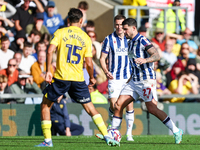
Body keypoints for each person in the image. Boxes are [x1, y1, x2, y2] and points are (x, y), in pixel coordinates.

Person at [35, 8, 120, 147]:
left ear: (68, 20)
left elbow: (49, 50)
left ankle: (48, 141)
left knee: (45, 106)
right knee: (90, 108)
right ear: (81, 21)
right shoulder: (86, 38)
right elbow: (88, 62)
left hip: (61, 77)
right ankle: (107, 136)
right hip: (78, 78)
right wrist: (92, 77)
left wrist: (48, 70)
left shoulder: (60, 32)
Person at [97, 18, 183, 144]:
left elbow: (156, 55)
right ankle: (112, 134)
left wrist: (145, 60)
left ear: (134, 28)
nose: (123, 31)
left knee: (152, 109)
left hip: (145, 81)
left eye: (126, 29)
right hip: (133, 81)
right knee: (118, 104)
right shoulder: (130, 42)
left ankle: (176, 130)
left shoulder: (142, 40)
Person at [97, 15, 134, 141]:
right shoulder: (108, 39)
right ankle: (113, 129)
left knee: (129, 105)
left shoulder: (130, 39)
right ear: (114, 25)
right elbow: (102, 58)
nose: (119, 27)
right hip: (114, 78)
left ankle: (129, 134)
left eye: (121, 24)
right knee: (114, 105)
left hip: (128, 78)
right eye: (116, 24)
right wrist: (106, 71)